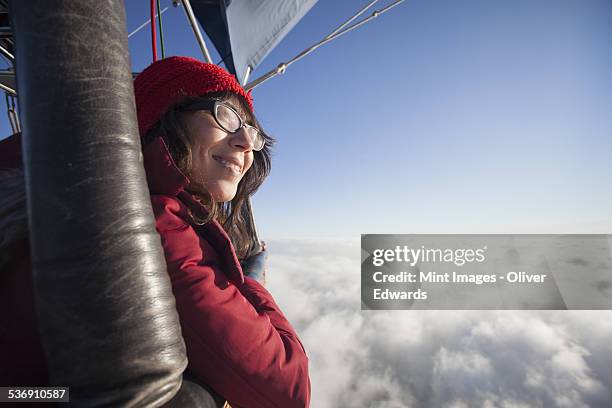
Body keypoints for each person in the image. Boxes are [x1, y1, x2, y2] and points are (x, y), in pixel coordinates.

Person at [0, 56, 310, 408]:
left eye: (251, 132)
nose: (244, 141)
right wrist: (251, 284)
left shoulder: (68, 195)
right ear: (166, 114)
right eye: (227, 115)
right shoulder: (153, 224)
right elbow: (288, 386)